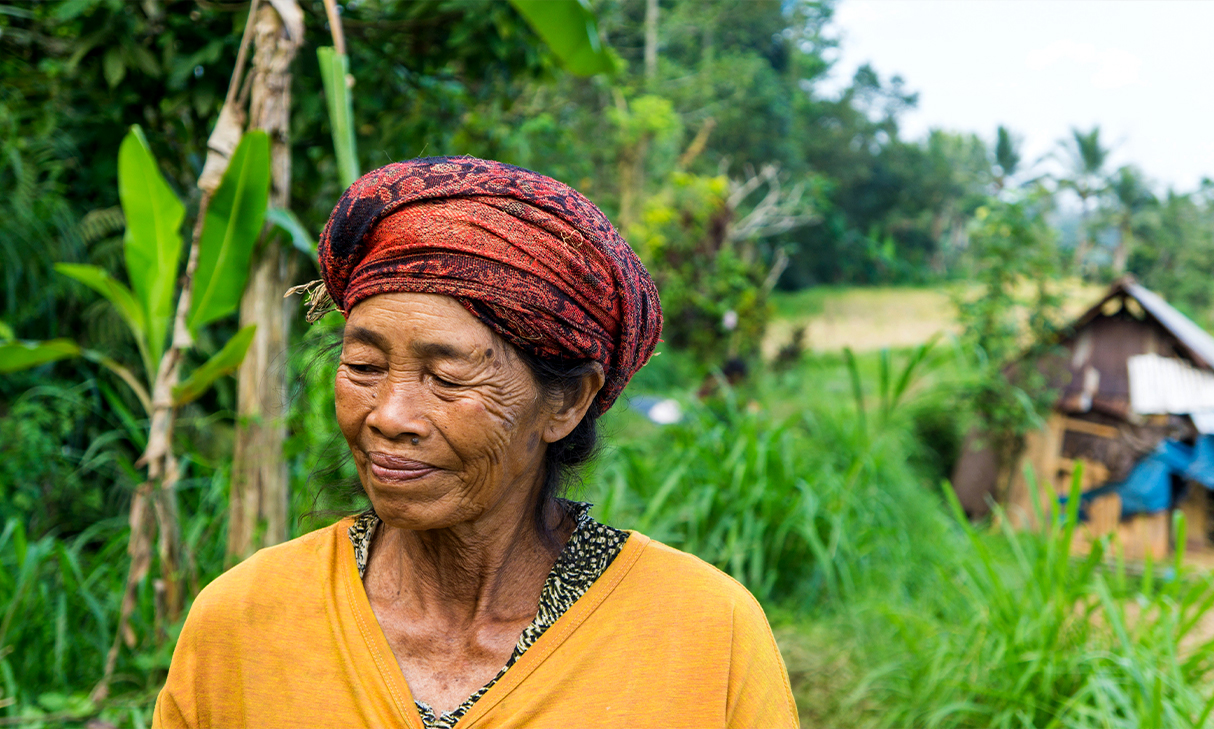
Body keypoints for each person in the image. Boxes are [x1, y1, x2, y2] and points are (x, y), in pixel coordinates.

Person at [153, 157, 798, 729]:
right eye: (364, 367)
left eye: (447, 375)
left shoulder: (704, 636)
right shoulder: (242, 622)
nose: (389, 415)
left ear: (566, 402)